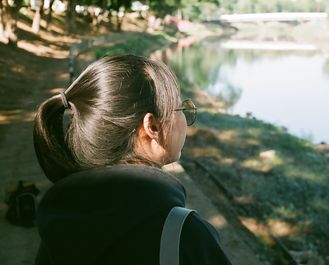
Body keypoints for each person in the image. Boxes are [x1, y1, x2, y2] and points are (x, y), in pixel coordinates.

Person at [33, 55, 232, 265]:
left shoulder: (58, 229)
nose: (185, 118)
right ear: (152, 127)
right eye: (180, 108)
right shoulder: (185, 235)